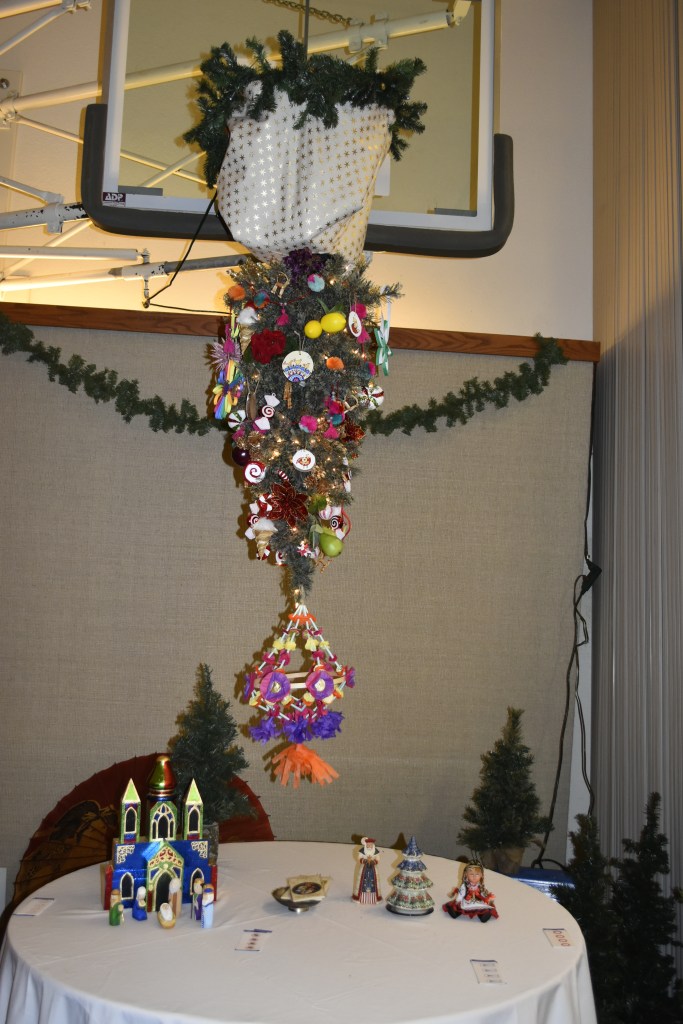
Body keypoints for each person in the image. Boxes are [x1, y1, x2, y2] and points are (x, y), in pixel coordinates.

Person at [352, 837, 382, 904]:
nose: (369, 846)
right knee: (362, 880)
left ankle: (374, 898)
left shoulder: (376, 851)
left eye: (371, 844)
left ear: (373, 844)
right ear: (366, 844)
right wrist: (364, 861)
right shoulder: (362, 850)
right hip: (364, 868)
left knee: (373, 881)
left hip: (373, 869)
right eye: (368, 844)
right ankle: (360, 897)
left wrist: (374, 862)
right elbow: (359, 857)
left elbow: (378, 858)